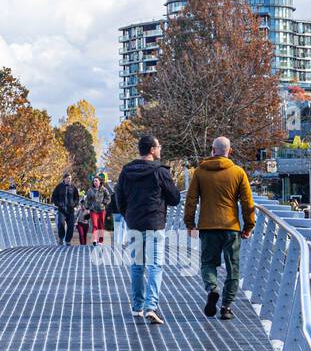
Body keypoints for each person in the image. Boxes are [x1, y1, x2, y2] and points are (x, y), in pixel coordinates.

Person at [184, 135, 255, 320]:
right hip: (231, 227)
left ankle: (212, 288)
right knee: (233, 267)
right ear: (229, 151)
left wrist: (190, 224)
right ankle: (226, 306)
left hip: (207, 227)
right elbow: (248, 203)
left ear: (212, 150)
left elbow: (191, 200)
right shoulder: (238, 173)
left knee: (208, 263)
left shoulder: (200, 172)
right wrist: (249, 226)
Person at [114, 134, 181, 326]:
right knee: (155, 266)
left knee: (137, 266)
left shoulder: (126, 171)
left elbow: (120, 198)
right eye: (159, 146)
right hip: (154, 223)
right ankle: (151, 307)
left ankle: (137, 307)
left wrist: (128, 216)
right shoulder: (160, 171)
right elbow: (175, 198)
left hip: (134, 222)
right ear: (152, 150)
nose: (160, 149)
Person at [50, 172, 79, 245]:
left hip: (70, 210)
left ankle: (68, 240)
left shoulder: (73, 187)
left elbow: (77, 198)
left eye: (70, 178)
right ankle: (61, 238)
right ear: (64, 178)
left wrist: (74, 204)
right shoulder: (59, 187)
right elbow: (54, 197)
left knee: (71, 226)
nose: (69, 179)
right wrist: (58, 204)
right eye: (68, 178)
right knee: (61, 223)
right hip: (61, 209)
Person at [85, 173, 113, 244]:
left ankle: (100, 241)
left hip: (101, 210)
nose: (95, 182)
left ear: (100, 182)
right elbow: (87, 200)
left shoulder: (104, 189)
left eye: (96, 181)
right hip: (93, 210)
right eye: (94, 181)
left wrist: (104, 203)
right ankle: (94, 239)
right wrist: (87, 207)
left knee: (101, 225)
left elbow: (108, 198)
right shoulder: (90, 190)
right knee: (94, 225)